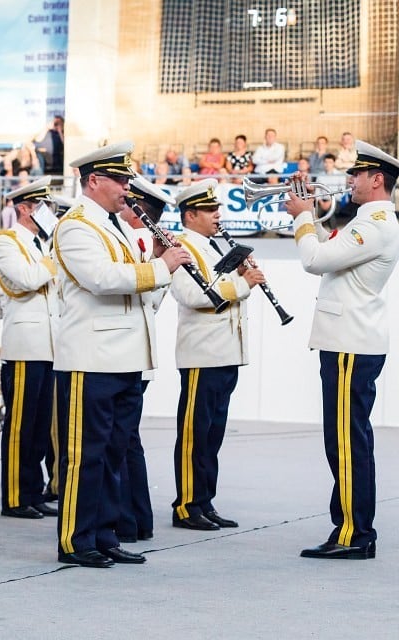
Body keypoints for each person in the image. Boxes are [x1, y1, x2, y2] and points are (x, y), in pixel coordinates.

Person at [52, 141, 191, 568]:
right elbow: (101, 278)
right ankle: (76, 540)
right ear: (94, 180)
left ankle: (106, 533)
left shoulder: (116, 225)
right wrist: (161, 267)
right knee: (85, 454)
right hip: (91, 359)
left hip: (126, 357)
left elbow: (140, 290)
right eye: (119, 179)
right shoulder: (77, 225)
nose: (127, 187)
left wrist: (161, 269)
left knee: (114, 453)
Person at [285, 140, 399, 560]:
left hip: (350, 345)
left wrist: (302, 218)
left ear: (377, 179)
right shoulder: (367, 223)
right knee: (345, 441)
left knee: (347, 443)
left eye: (357, 174)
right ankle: (351, 528)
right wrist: (307, 216)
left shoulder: (372, 225)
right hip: (350, 342)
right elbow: (328, 253)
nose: (349, 179)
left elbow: (314, 260)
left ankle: (354, 533)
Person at [171, 179, 263, 532]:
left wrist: (241, 273)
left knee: (212, 434)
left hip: (224, 351)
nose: (217, 215)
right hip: (201, 353)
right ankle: (186, 504)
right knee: (195, 433)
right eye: (209, 210)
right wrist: (244, 284)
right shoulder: (182, 247)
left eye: (217, 208)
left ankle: (204, 501)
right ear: (190, 214)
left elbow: (218, 288)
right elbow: (194, 295)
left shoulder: (210, 247)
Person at [0, 177, 59, 517]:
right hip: (24, 346)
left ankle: (33, 492)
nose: (50, 212)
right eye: (43, 206)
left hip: (49, 346)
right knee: (20, 425)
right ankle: (16, 496)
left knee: (39, 425)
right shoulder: (7, 241)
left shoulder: (44, 246)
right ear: (24, 208)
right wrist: (52, 262)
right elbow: (27, 280)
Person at [116, 176, 176, 542]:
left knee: (120, 443)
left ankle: (127, 520)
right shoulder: (152, 246)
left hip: (126, 352)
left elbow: (142, 299)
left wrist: (155, 261)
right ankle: (139, 519)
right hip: (139, 353)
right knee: (129, 441)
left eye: (126, 204)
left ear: (137, 211)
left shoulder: (135, 241)